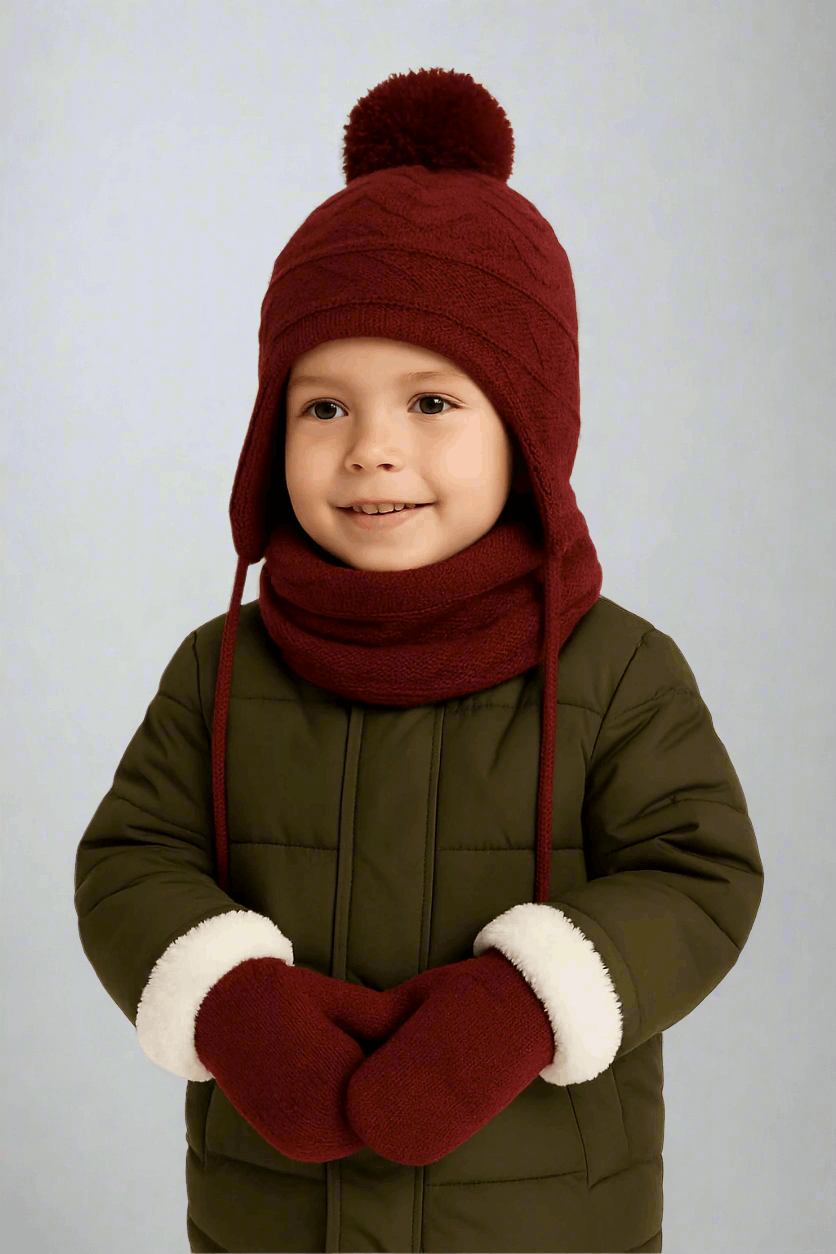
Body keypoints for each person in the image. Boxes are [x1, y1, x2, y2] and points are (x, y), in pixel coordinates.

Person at [74, 68, 764, 1254]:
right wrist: (233, 1003)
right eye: (322, 408)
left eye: (432, 402)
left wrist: (522, 1007)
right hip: (272, 1220)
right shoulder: (221, 671)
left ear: (529, 436)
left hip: (544, 1226)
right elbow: (132, 858)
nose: (369, 451)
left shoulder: (614, 672)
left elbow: (697, 876)